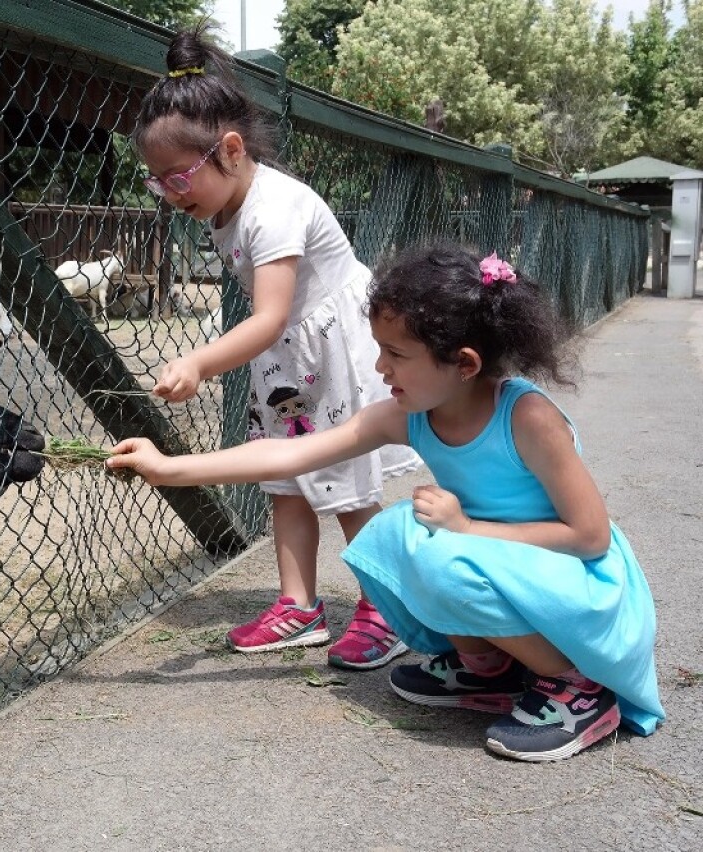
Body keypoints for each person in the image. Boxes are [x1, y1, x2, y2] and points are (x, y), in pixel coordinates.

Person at [107, 242, 664, 761]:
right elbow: (289, 455)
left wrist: (467, 528)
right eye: (379, 350)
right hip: (503, 562)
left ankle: (578, 686)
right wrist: (169, 468)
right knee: (394, 535)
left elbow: (590, 537)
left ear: (465, 364)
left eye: (396, 354)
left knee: (442, 554)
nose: (380, 369)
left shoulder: (527, 417)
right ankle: (490, 670)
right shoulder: (410, 414)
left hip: (581, 585)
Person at [129, 24, 421, 668]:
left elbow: (269, 316)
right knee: (283, 480)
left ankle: (387, 607)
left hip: (327, 346)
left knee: (345, 486)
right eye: (158, 183)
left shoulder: (274, 209)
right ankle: (299, 606)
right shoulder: (222, 208)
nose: (170, 196)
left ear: (230, 150)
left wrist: (200, 362)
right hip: (289, 357)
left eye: (176, 180)